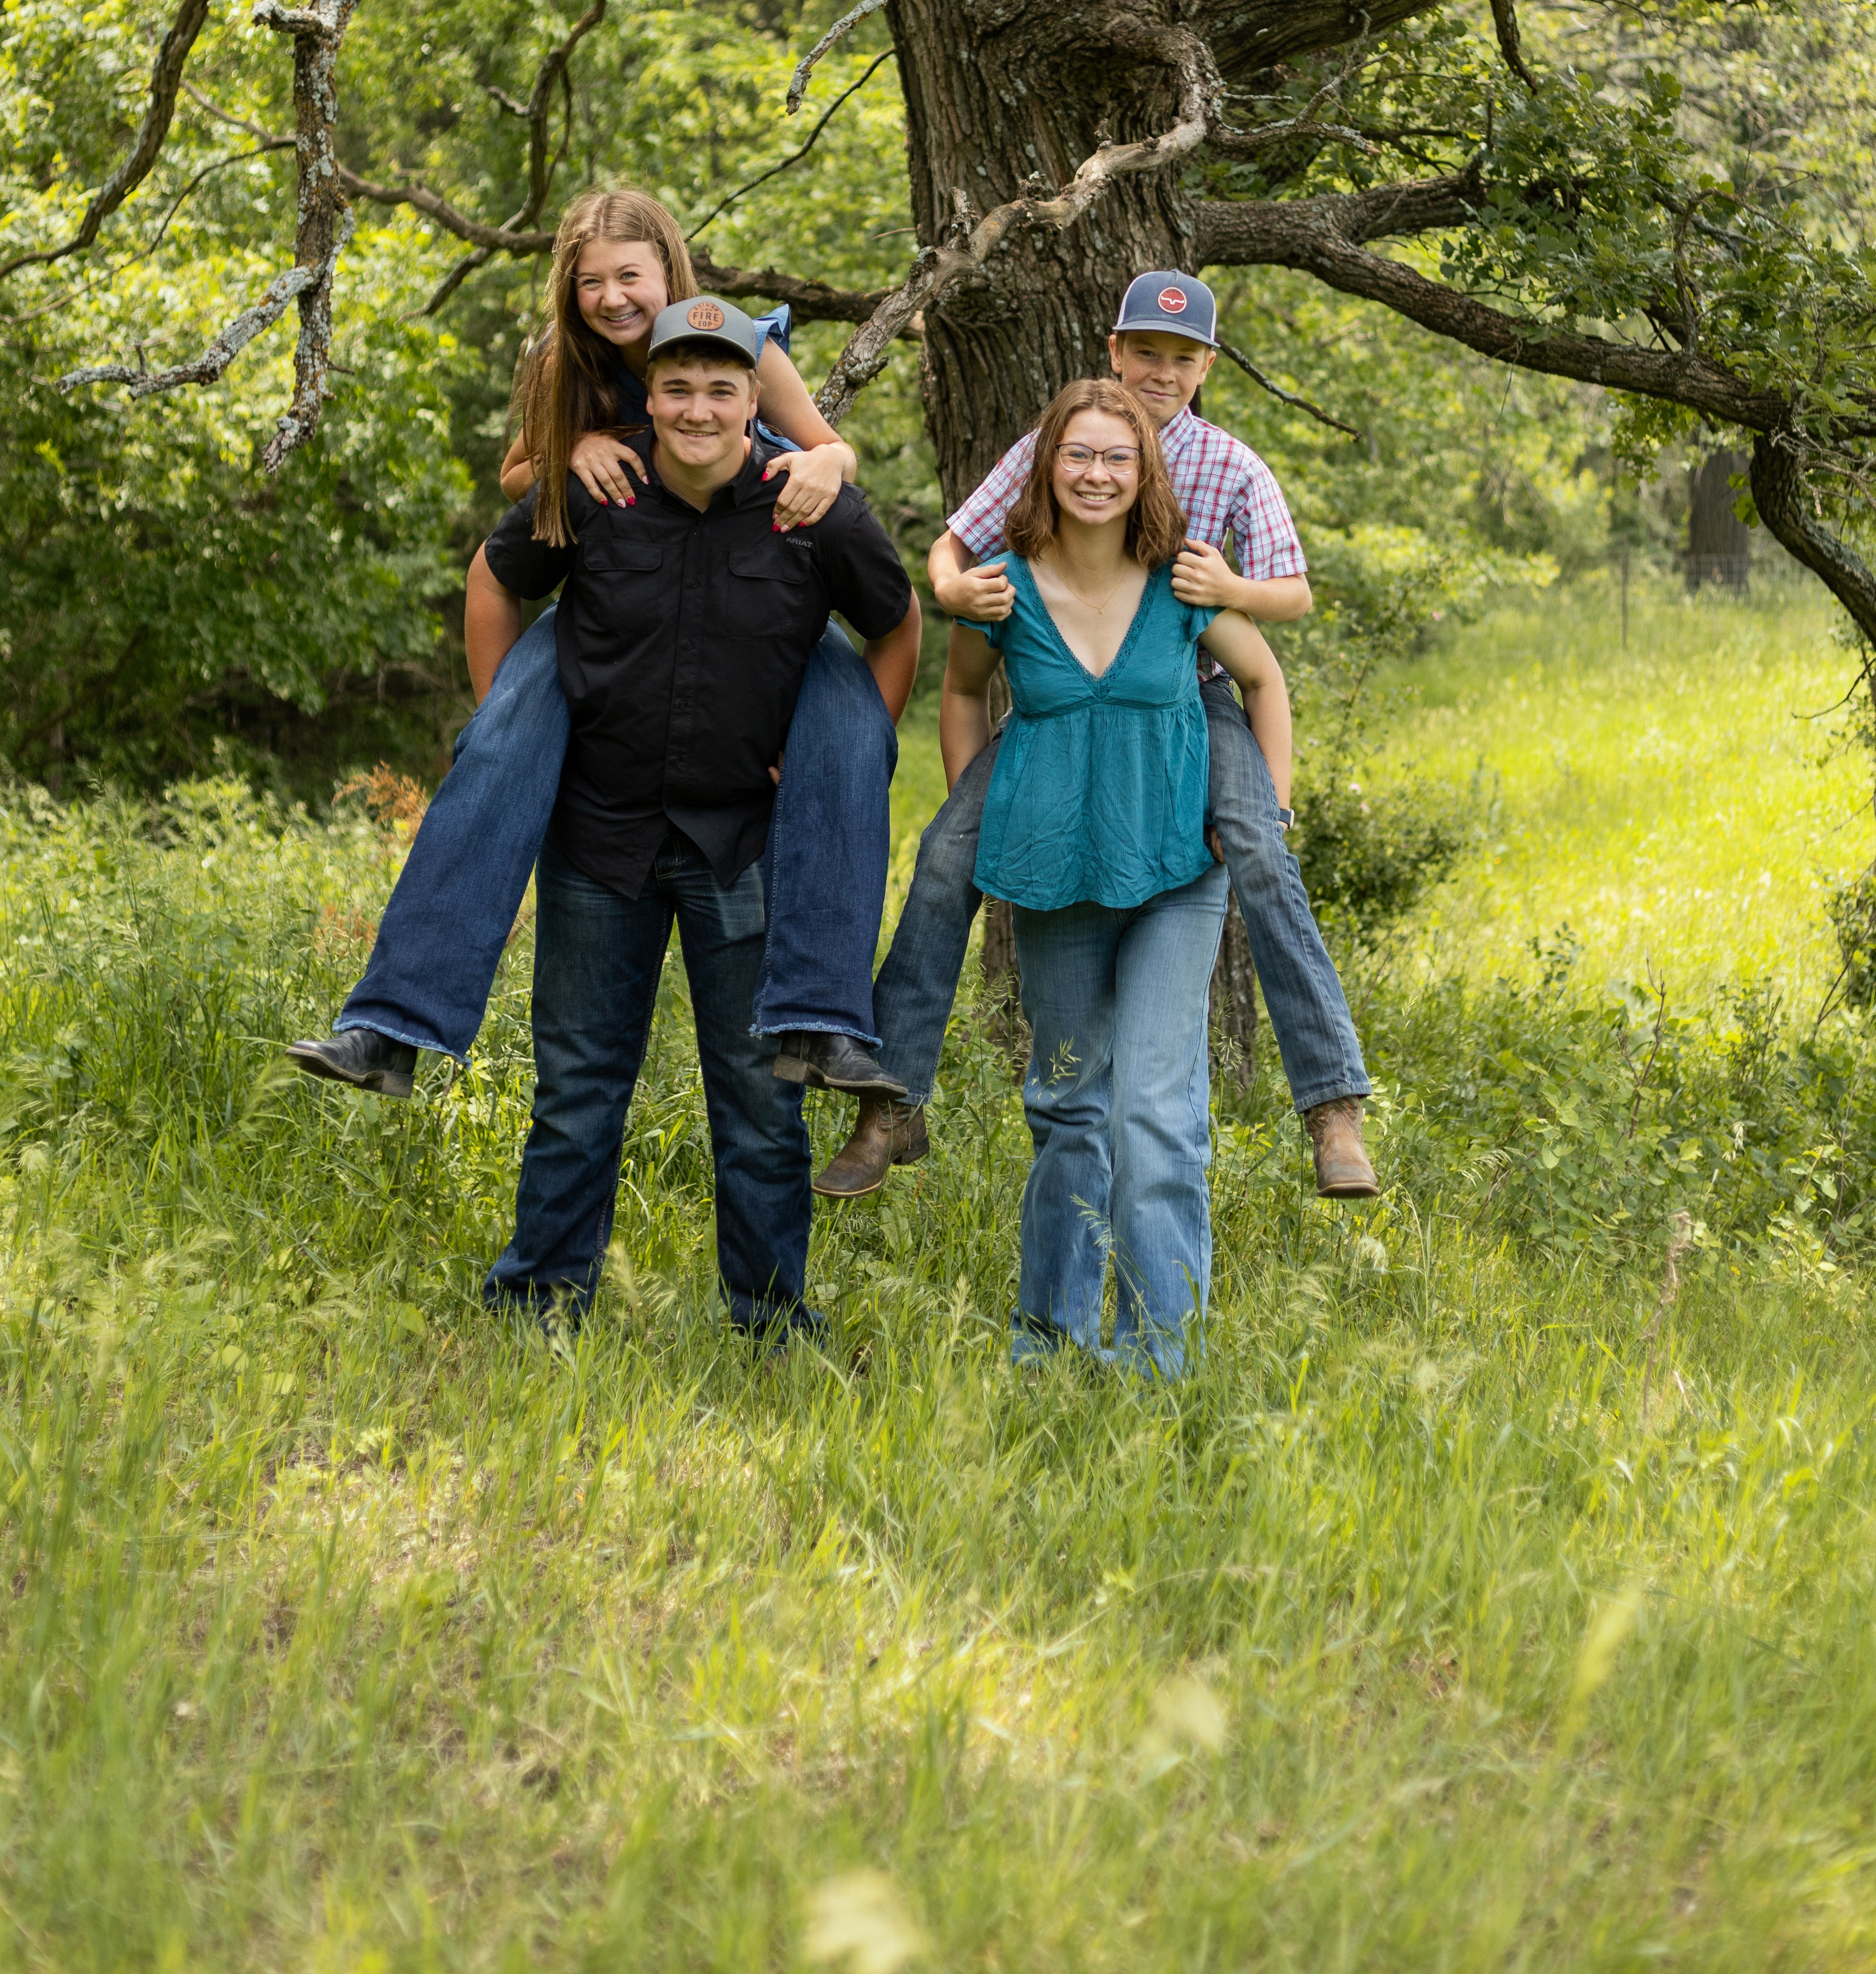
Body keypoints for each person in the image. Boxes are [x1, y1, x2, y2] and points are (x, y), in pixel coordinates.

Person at [288, 187, 905, 1101]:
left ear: (669, 271)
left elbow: (831, 450)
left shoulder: (744, 345)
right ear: (568, 291)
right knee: (501, 736)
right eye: (591, 282)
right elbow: (517, 479)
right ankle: (394, 1024)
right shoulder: (562, 362)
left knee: (850, 730)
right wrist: (574, 448)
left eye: (630, 277)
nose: (613, 298)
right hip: (624, 588)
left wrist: (826, 464)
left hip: (763, 579)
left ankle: (827, 1022)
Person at [816, 269, 1379, 1203]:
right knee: (947, 854)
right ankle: (892, 1099)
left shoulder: (1230, 464)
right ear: (1115, 353)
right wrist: (950, 589)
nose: (1162, 372)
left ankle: (1332, 1106)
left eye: (1182, 358)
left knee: (1259, 841)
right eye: (1145, 352)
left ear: (1206, 367)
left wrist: (1229, 589)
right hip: (1062, 709)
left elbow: (1292, 600)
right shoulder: (1063, 445)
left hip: (1191, 698)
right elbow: (958, 546)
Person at [469, 294, 919, 1324]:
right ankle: (539, 1302)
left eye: (723, 388)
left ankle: (770, 1321)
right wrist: (505, 737)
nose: (700, 408)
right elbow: (497, 579)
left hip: (745, 848)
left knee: (762, 1101)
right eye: (678, 387)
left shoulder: (812, 507)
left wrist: (841, 761)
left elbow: (897, 626)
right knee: (576, 1090)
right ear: (654, 397)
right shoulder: (598, 489)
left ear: (755, 398)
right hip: (599, 838)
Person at [942, 377, 1287, 1373]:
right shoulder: (1000, 587)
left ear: (1146, 474)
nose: (1096, 474)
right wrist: (981, 806)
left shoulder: (1182, 580)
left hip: (1178, 871)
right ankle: (1050, 1343)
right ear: (1048, 465)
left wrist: (1270, 813)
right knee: (1067, 1103)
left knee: (1151, 1107)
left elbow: (1263, 679)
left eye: (1117, 458)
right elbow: (961, 694)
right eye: (1079, 455)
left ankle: (1157, 1361)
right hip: (1055, 876)